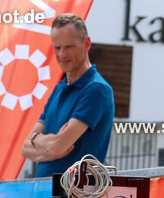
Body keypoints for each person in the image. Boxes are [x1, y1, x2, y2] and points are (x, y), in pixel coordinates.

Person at [20, 13, 115, 176]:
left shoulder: (96, 89)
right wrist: (44, 142)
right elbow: (25, 148)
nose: (62, 54)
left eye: (69, 47)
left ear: (87, 44)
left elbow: (57, 148)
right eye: (57, 48)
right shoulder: (59, 88)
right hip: (45, 189)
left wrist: (39, 142)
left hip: (74, 191)